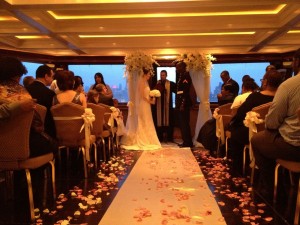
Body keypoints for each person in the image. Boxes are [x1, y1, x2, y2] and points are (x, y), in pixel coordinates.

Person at [251, 48, 300, 195]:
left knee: (257, 140)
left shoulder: (290, 85)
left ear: (296, 62)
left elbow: (272, 122)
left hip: (294, 147)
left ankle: (269, 188)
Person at [228, 70, 283, 175]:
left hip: (254, 134)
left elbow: (240, 114)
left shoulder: (254, 97)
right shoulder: (281, 98)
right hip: (278, 135)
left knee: (235, 133)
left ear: (265, 82)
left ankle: (238, 169)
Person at [0, 56, 57, 158]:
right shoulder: (19, 91)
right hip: (20, 142)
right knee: (52, 145)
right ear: (15, 75)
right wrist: (19, 107)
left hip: (6, 144)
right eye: (19, 76)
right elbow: (36, 123)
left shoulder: (22, 89)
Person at [120, 68, 161, 150]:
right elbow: (142, 95)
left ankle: (148, 139)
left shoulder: (146, 82)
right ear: (145, 74)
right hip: (143, 104)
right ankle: (143, 139)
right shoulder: (141, 81)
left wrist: (152, 96)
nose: (149, 75)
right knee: (143, 120)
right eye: (149, 74)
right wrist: (150, 101)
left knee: (147, 120)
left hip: (146, 104)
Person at [26, 65, 56, 138]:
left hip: (27, 128)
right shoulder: (49, 93)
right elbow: (51, 115)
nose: (52, 80)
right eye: (52, 77)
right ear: (46, 76)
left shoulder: (25, 90)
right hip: (45, 130)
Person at [154, 70, 176, 142]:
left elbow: (177, 91)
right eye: (161, 75)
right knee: (159, 122)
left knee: (168, 121)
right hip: (159, 106)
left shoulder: (170, 84)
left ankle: (169, 138)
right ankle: (160, 138)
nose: (162, 76)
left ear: (166, 75)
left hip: (168, 106)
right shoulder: (157, 83)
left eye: (163, 75)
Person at [175, 61, 193, 148]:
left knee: (184, 124)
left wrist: (182, 104)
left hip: (184, 104)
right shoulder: (181, 76)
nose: (177, 69)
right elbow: (179, 91)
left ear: (183, 67)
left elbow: (185, 92)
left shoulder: (186, 76)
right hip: (180, 102)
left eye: (178, 67)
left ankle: (187, 142)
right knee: (182, 124)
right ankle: (186, 141)